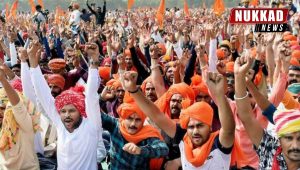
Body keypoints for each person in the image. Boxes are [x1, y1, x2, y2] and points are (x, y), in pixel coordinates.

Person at [120, 70, 239, 169]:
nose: (195, 131)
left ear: (210, 127)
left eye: (200, 126)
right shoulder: (184, 138)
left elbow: (229, 129)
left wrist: (219, 95)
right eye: (191, 127)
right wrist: (134, 90)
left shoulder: (219, 144)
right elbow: (156, 115)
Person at [29, 41, 106, 170]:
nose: (66, 115)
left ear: (81, 111)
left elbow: (91, 95)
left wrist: (93, 62)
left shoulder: (91, 125)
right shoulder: (60, 124)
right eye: (63, 111)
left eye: (71, 111)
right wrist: (33, 63)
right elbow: (44, 95)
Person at [234, 54, 300, 169]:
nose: (295, 145)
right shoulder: (270, 150)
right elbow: (246, 117)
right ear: (279, 138)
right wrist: (239, 77)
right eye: (288, 138)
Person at [101, 102, 169, 169]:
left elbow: (164, 149)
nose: (133, 124)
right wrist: (101, 99)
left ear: (142, 121)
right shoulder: (115, 125)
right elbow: (95, 114)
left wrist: (140, 150)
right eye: (129, 118)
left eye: (138, 120)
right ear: (123, 118)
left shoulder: (147, 134)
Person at [0, 67, 40, 169]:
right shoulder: (2, 128)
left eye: (3, 108)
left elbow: (18, 107)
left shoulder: (25, 125)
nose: (0, 112)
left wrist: (3, 80)